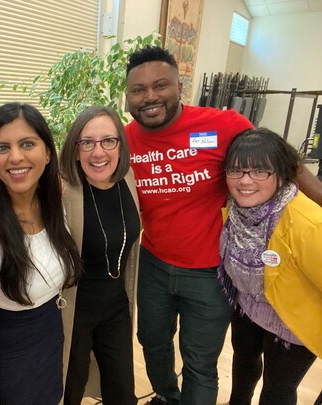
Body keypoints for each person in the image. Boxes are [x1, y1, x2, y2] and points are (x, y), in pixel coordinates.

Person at [125, 46, 322, 405]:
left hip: (210, 272)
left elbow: (283, 161)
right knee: (151, 341)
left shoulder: (222, 124)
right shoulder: (125, 139)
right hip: (153, 263)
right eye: (138, 89)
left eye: (160, 85)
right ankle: (166, 397)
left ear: (179, 86)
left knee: (200, 361)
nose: (150, 96)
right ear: (127, 96)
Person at [0, 102, 82, 405]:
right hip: (8, 363)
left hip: (49, 347)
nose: (16, 157)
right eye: (2, 148)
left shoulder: (52, 206)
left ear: (48, 152)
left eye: (27, 144)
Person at [219, 128, 321, 405]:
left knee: (277, 390)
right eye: (236, 171)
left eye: (260, 171)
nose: (246, 181)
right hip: (249, 304)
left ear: (282, 173)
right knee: (243, 365)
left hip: (293, 322)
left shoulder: (309, 224)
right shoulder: (236, 209)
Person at [60, 106, 141, 405]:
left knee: (122, 392)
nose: (98, 152)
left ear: (120, 144)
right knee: (70, 388)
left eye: (108, 141)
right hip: (75, 310)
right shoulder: (63, 191)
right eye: (87, 142)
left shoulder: (127, 180)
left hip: (116, 307)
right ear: (75, 148)